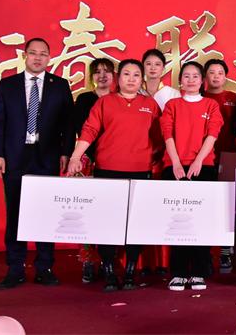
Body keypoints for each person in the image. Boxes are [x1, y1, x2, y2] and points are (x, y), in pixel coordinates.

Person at [67, 59, 161, 291]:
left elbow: (160, 138)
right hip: (107, 170)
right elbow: (89, 130)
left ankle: (130, 271)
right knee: (106, 223)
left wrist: (150, 158)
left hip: (139, 172)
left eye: (136, 75)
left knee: (135, 224)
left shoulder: (150, 104)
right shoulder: (104, 102)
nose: (131, 79)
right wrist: (75, 156)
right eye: (126, 74)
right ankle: (109, 270)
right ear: (118, 78)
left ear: (142, 79)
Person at [0, 37, 75, 289]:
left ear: (49, 57)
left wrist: (66, 152)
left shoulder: (60, 85)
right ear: (24, 55)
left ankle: (44, 267)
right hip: (15, 156)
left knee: (45, 213)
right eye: (33, 53)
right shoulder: (8, 85)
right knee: (15, 212)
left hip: (47, 156)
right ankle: (15, 268)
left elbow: (68, 123)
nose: (38, 58)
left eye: (43, 54)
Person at [160, 61, 223, 291]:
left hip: (203, 167)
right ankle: (177, 272)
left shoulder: (211, 105)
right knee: (178, 221)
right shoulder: (172, 105)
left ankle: (198, 272)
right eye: (186, 76)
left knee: (200, 221)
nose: (191, 80)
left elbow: (212, 135)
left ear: (202, 81)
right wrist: (176, 163)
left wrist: (198, 161)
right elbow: (167, 134)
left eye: (195, 76)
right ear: (180, 81)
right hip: (175, 166)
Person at [72, 58, 116, 283]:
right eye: (97, 72)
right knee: (87, 212)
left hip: (114, 161)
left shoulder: (120, 99)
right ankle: (88, 261)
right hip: (89, 160)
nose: (102, 75)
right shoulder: (84, 99)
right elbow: (81, 129)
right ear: (91, 77)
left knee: (110, 212)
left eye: (107, 71)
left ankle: (109, 261)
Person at [140, 48, 179, 276]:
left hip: (164, 157)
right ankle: (143, 262)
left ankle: (164, 261)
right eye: (148, 64)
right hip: (138, 156)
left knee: (164, 207)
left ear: (164, 68)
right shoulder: (133, 90)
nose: (153, 68)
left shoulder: (172, 94)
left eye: (157, 64)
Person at [202, 59, 236, 273]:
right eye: (211, 72)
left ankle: (226, 250)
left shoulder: (234, 99)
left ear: (225, 76)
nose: (216, 76)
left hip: (230, 157)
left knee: (228, 205)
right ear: (205, 76)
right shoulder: (198, 97)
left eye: (220, 72)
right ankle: (205, 251)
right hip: (204, 159)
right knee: (207, 204)